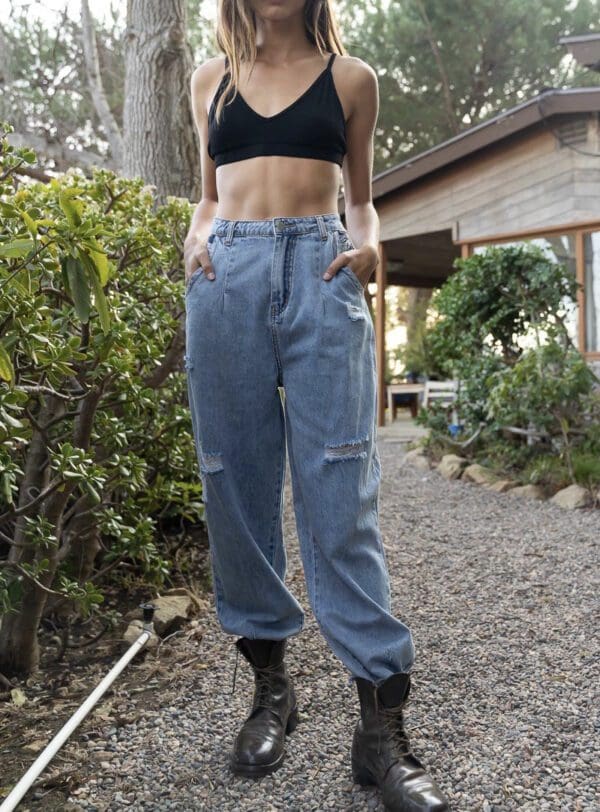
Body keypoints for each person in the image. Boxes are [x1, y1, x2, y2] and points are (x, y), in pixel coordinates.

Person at [183, 2, 448, 810]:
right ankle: (271, 689)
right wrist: (197, 237)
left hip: (322, 272)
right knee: (233, 482)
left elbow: (361, 200)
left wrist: (369, 242)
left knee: (341, 488)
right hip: (227, 280)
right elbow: (206, 198)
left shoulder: (351, 79)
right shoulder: (209, 80)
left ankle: (380, 730)